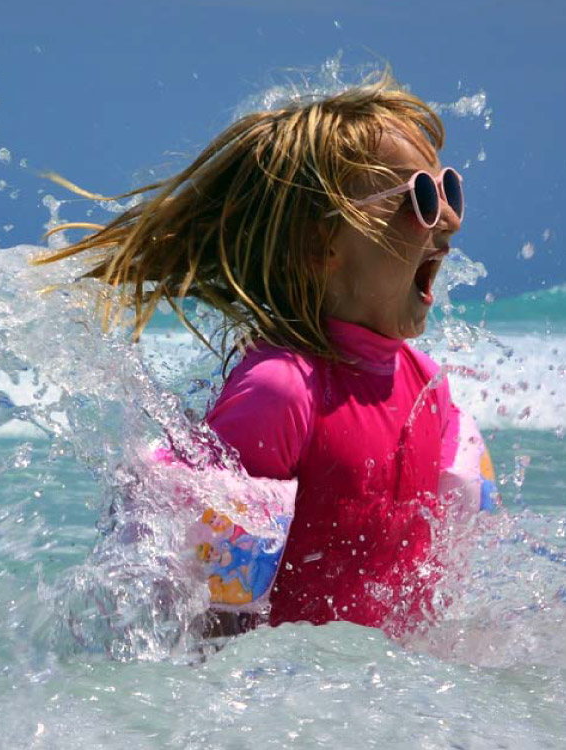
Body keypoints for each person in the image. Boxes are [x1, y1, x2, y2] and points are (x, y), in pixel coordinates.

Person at [35, 69, 472, 637]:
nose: (451, 222)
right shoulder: (283, 392)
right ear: (323, 245)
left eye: (448, 190)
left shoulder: (428, 387)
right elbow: (213, 623)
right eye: (419, 198)